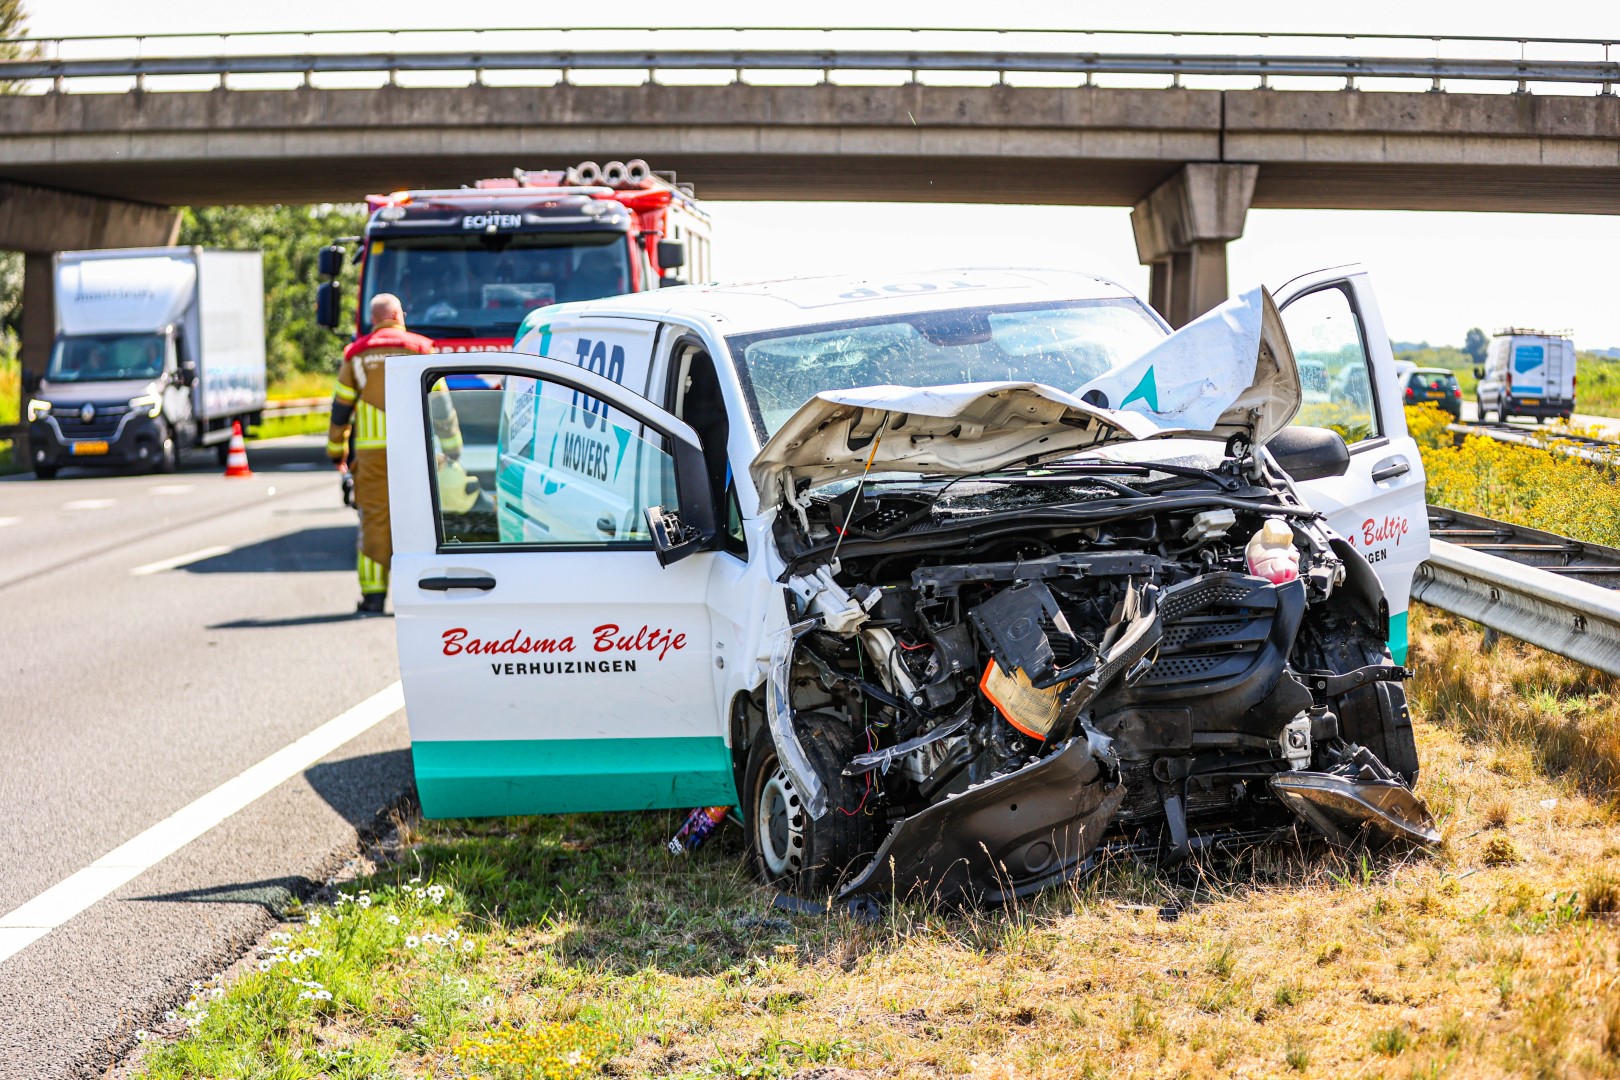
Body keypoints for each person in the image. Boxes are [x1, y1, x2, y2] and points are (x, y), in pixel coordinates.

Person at [326, 294, 436, 615]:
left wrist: (336, 451)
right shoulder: (420, 348)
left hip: (371, 457)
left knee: (374, 520)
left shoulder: (357, 355)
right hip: (415, 454)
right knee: (420, 520)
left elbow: (341, 408)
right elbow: (440, 406)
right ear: (399, 315)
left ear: (374, 319)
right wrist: (452, 449)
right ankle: (420, 594)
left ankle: (373, 597)